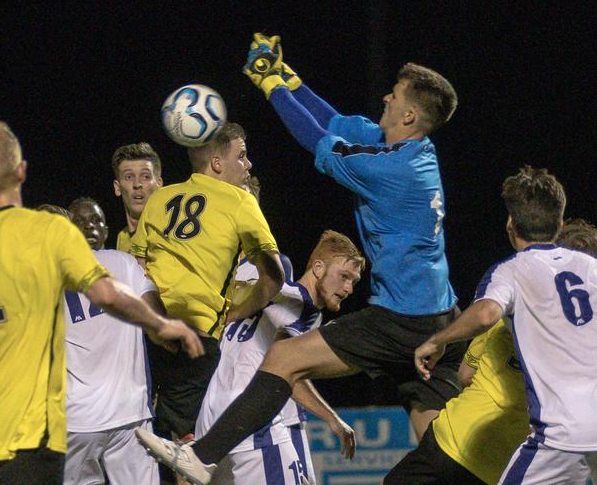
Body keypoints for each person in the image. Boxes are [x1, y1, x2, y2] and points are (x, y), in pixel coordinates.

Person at [133, 34, 462, 485]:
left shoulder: (391, 169)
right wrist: (286, 76)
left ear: (408, 114)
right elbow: (339, 122)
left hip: (403, 318)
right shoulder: (409, 149)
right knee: (436, 440)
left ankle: (202, 456)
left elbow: (319, 140)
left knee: (285, 357)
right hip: (440, 316)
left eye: (395, 95)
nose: (385, 97)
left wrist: (271, 87)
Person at [0, 119, 203, 485]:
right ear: (21, 172)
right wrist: (162, 324)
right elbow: (105, 293)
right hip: (37, 431)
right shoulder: (52, 236)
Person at [414, 166, 597, 484]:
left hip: (561, 436)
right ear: (560, 223)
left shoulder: (512, 270)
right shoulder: (591, 267)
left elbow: (486, 314)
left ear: (511, 225)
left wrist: (436, 341)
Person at [130, 122, 285, 454]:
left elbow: (137, 271)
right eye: (241, 156)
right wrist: (237, 311)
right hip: (194, 341)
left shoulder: (161, 199)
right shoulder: (241, 202)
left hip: (144, 338)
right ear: (217, 163)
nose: (248, 165)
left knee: (139, 446)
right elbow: (273, 278)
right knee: (185, 453)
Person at [193, 230, 362, 485]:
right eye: (344, 276)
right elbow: (287, 372)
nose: (348, 288)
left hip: (212, 420)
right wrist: (332, 419)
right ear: (317, 268)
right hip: (252, 421)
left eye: (354, 281)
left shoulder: (266, 289)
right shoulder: (302, 306)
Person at [63, 197, 161, 485]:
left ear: (106, 229)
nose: (89, 226)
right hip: (129, 413)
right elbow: (156, 318)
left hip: (77, 419)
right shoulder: (124, 262)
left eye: (95, 220)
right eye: (81, 222)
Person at [111, 142, 163, 252]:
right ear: (117, 187)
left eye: (145, 176)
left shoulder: (170, 234)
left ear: (159, 185)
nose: (137, 184)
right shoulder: (122, 238)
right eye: (129, 177)